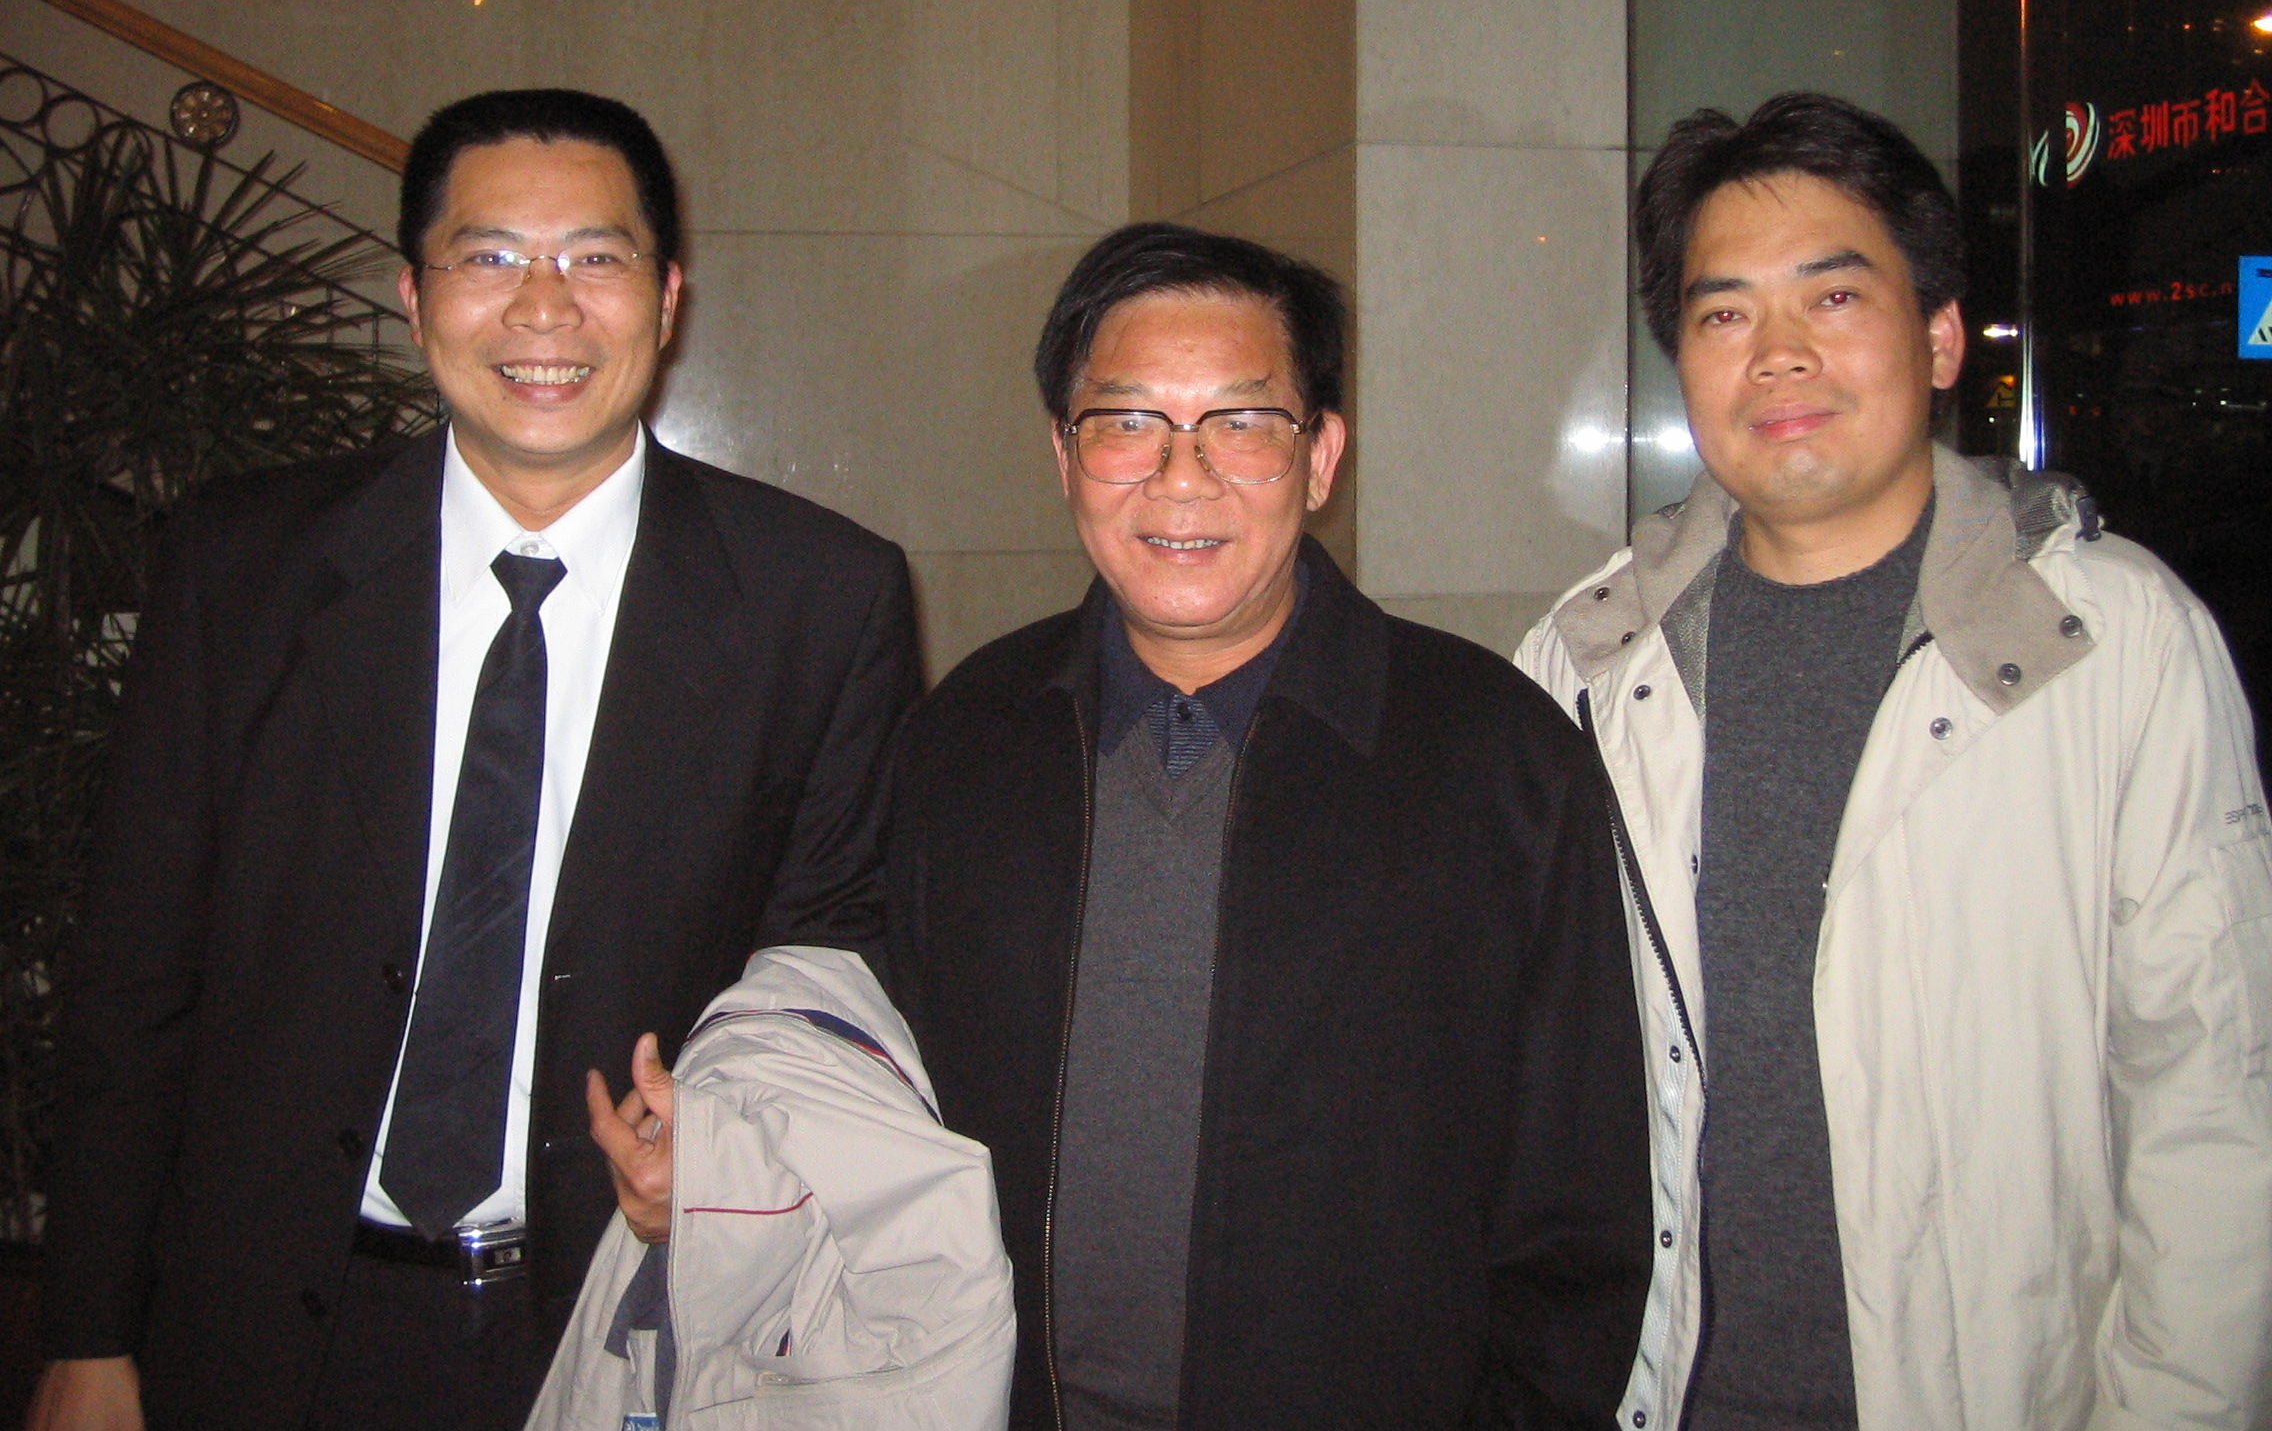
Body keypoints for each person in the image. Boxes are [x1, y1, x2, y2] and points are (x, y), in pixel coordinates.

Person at [31, 89, 920, 1431]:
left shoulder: (821, 598)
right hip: (262, 1318)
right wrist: (88, 1328)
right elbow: (134, 967)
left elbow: (830, 955)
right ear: (414, 294)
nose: (543, 309)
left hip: (628, 1321)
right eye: (490, 256)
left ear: (667, 299)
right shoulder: (245, 566)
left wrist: (735, 1156)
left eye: (595, 258)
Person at [1517, 92, 2272, 1430]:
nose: (1779, 356)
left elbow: (2214, 1102)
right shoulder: (1585, 664)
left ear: (1938, 339)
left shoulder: (2110, 643)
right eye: (1724, 314)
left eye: (1833, 298)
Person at [882, 221, 1653, 1429]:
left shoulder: (1492, 760)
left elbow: (1577, 1207)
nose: (1180, 478)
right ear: (1063, 455)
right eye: (1126, 423)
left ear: (1320, 456)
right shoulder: (966, 743)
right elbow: (889, 1103)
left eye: (1241, 423)